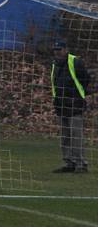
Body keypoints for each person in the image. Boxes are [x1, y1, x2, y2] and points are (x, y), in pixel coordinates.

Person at [50, 40, 91, 173]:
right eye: (56, 50)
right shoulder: (55, 65)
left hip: (75, 105)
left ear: (66, 50)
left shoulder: (75, 62)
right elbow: (55, 84)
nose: (57, 53)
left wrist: (77, 96)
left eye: (60, 50)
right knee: (65, 136)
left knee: (76, 135)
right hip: (61, 106)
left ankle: (81, 164)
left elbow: (85, 79)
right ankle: (69, 163)